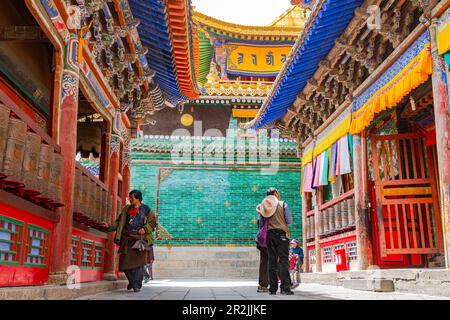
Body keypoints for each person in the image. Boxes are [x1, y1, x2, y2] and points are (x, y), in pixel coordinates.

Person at [106, 190, 156, 292]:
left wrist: (145, 229)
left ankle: (136, 285)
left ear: (138, 198)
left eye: (132, 198)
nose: (130, 199)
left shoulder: (147, 210)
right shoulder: (126, 209)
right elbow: (119, 222)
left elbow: (153, 222)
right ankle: (133, 282)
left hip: (140, 240)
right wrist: (109, 227)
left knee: (138, 264)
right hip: (127, 239)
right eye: (130, 197)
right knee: (124, 264)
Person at [257, 187, 294, 295]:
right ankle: (285, 288)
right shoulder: (283, 204)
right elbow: (289, 221)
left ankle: (273, 289)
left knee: (272, 262)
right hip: (282, 235)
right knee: (283, 261)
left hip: (269, 236)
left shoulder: (263, 206)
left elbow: (261, 224)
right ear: (276, 194)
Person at [255, 208, 269, 293]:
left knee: (263, 263)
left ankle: (262, 285)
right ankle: (285, 283)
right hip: (269, 242)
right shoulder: (270, 216)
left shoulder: (260, 216)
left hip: (262, 242)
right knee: (272, 262)